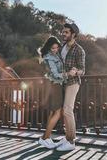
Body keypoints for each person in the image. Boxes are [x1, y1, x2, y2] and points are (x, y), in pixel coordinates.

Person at [37, 36, 76, 149]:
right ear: (49, 47)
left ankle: (45, 138)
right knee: (58, 112)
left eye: (57, 48)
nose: (55, 50)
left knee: (52, 112)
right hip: (54, 85)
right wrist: (68, 74)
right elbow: (55, 74)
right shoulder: (49, 57)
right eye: (53, 48)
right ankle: (44, 139)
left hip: (54, 85)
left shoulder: (54, 55)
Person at [55, 23, 86, 151]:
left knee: (68, 109)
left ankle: (71, 141)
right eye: (63, 32)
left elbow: (83, 70)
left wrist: (76, 71)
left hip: (73, 82)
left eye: (66, 32)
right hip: (62, 82)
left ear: (73, 34)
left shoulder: (79, 50)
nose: (63, 34)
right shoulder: (62, 47)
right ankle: (67, 137)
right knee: (63, 111)